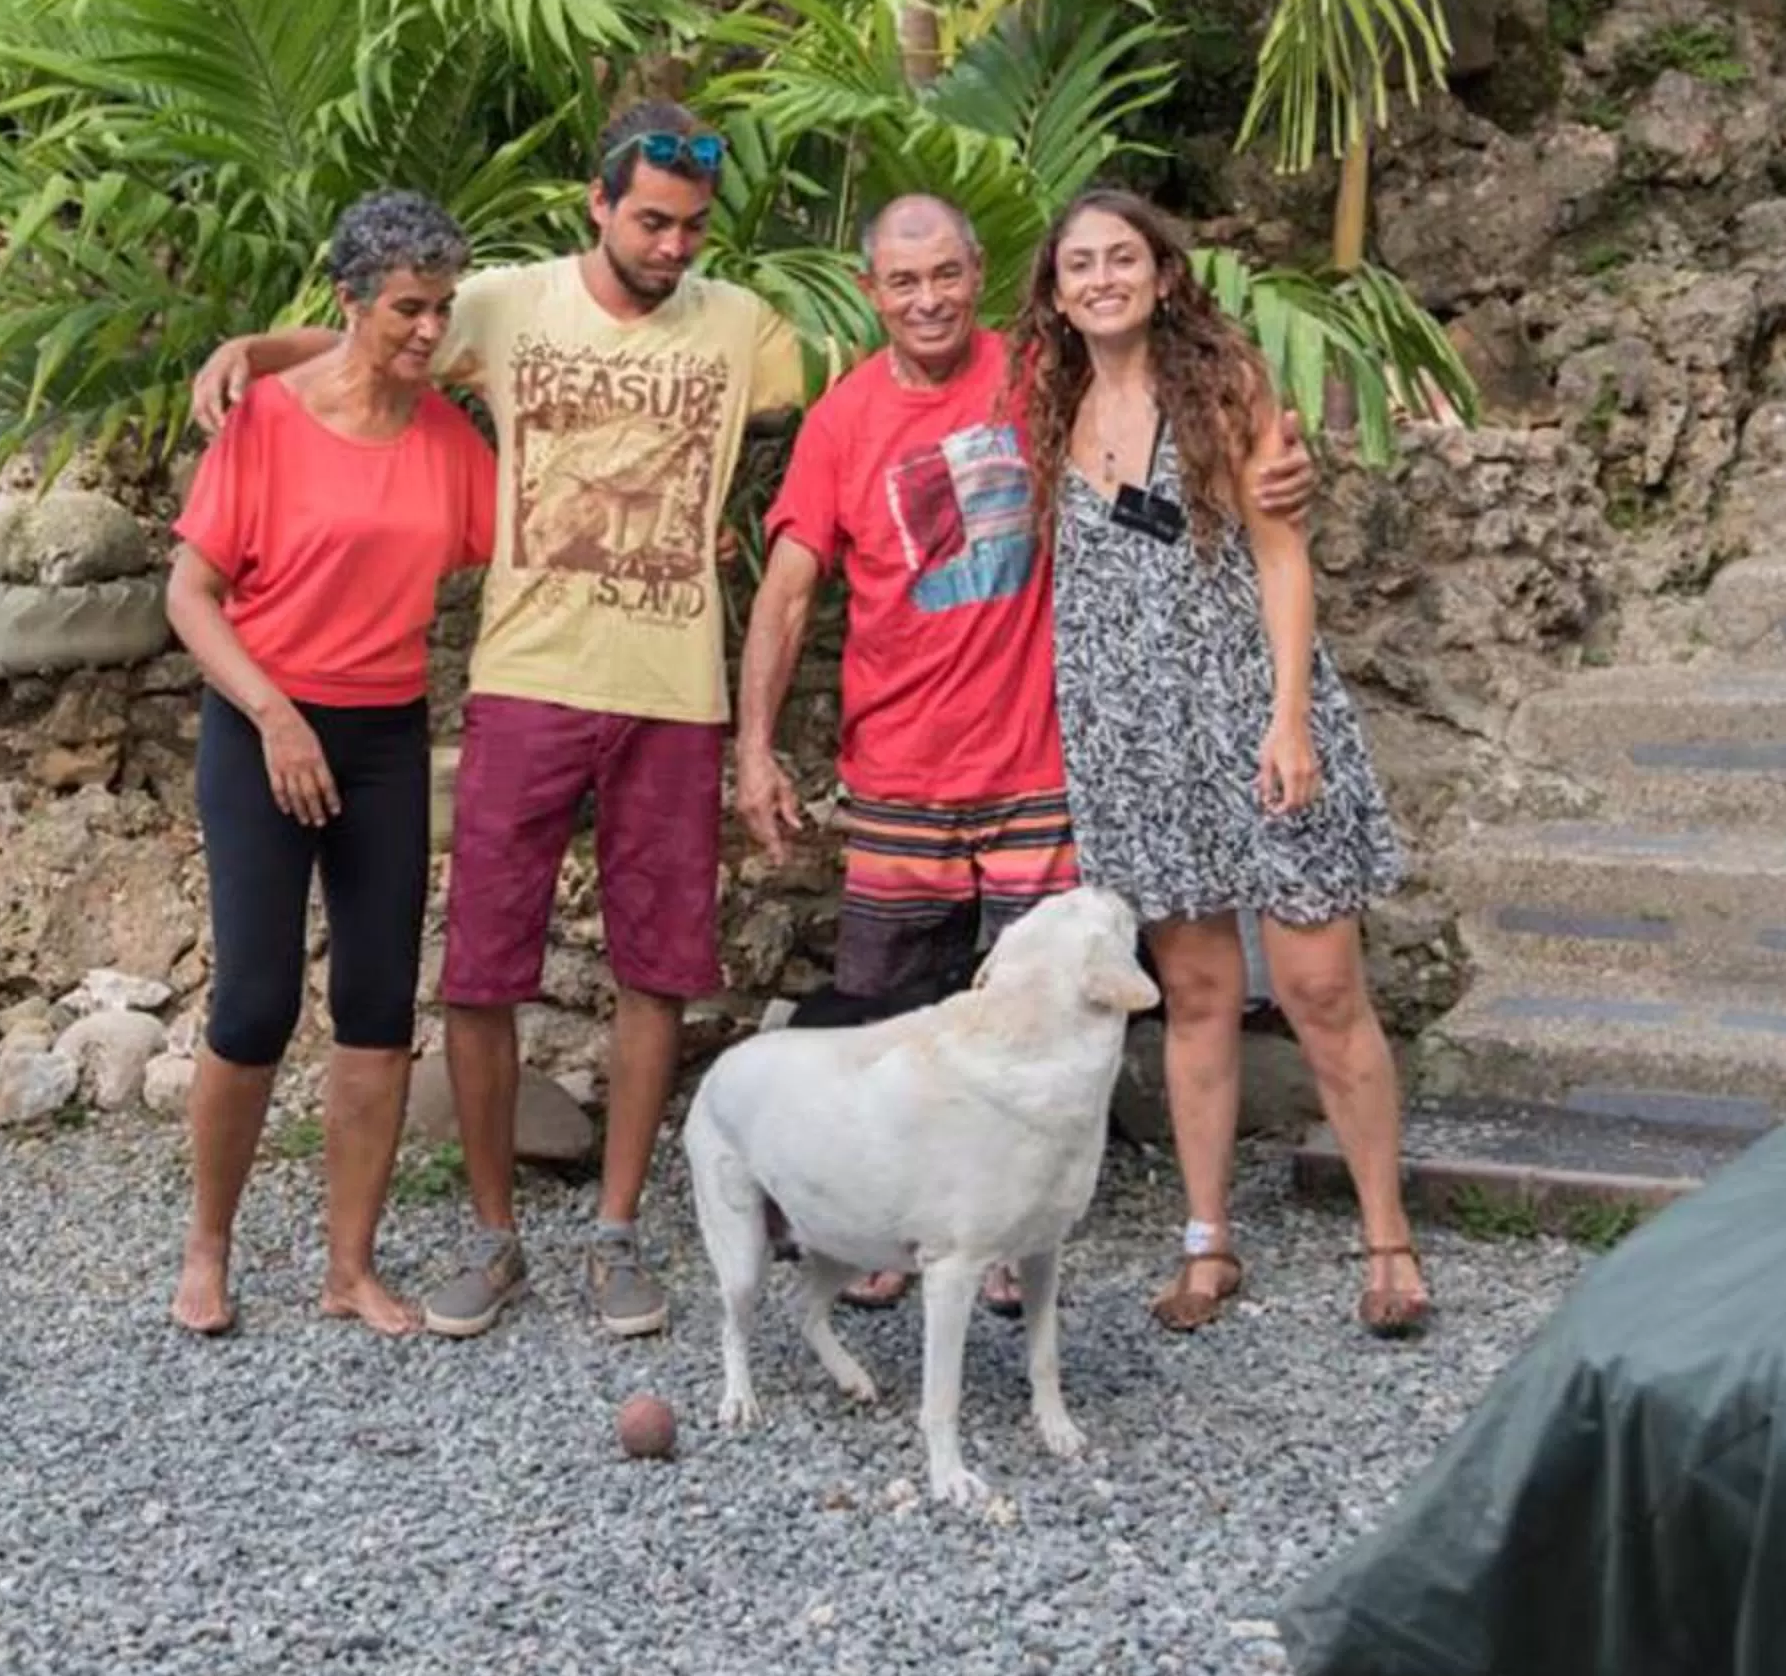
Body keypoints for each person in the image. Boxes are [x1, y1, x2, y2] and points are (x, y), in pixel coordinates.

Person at [188, 101, 807, 1341]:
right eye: (650, 219)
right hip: (508, 684)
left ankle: (597, 1236)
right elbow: (382, 333)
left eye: (692, 226)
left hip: (646, 692)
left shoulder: (746, 329)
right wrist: (252, 349)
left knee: (637, 971)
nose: (674, 245)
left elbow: (869, 387)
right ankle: (467, 1235)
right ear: (597, 200)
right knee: (432, 976)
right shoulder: (507, 307)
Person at [735, 193, 1316, 1311]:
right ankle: (892, 1229)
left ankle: (1000, 1235)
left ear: (979, 272)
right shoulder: (843, 420)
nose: (927, 299)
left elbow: (1196, 423)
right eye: (903, 282)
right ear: (871, 294)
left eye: (947, 274)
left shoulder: (1040, 378)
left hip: (1039, 768)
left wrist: (1291, 470)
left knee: (1036, 1026)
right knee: (885, 1015)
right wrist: (755, 746)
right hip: (899, 766)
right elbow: (790, 586)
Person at [1018, 187, 1431, 1338]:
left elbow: (1283, 556)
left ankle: (1387, 1235)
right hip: (1129, 740)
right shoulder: (1051, 405)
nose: (1102, 278)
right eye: (1079, 264)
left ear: (1162, 272)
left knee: (1319, 987)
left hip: (1251, 716)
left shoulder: (1224, 385)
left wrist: (1289, 715)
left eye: (1122, 257)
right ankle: (1207, 1241)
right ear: (1055, 290)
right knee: (1194, 992)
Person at [163, 190, 498, 1340]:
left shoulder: (453, 441)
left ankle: (348, 1266)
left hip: (386, 739)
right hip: (262, 726)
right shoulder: (267, 419)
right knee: (253, 1002)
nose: (427, 329)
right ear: (351, 301)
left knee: (374, 1008)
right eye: (407, 306)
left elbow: (536, 550)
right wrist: (274, 713)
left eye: (443, 308)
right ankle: (208, 1247)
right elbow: (189, 596)